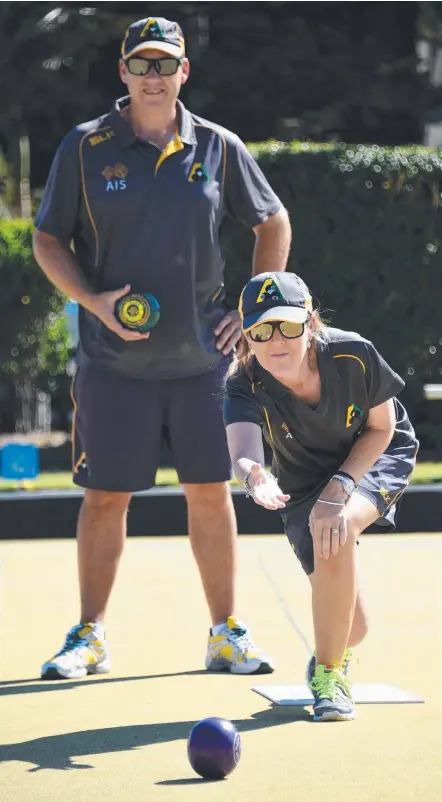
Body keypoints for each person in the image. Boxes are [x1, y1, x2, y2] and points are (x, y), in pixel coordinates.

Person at [33, 17, 292, 680]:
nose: (153, 75)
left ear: (184, 73)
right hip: (113, 365)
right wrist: (92, 303)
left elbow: (272, 221)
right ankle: (89, 635)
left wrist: (248, 309)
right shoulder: (86, 146)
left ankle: (225, 634)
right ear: (122, 72)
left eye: (165, 64)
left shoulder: (220, 147)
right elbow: (48, 240)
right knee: (103, 499)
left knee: (211, 493)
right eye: (141, 63)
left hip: (205, 363)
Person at [223, 271, 418, 721]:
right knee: (355, 627)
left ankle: (329, 680)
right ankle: (335, 652)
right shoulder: (242, 384)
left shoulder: (352, 353)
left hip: (376, 453)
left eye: (288, 326)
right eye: (261, 329)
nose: (276, 340)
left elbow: (383, 428)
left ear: (310, 324)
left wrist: (342, 487)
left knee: (336, 520)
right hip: (303, 479)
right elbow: (245, 454)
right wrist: (256, 479)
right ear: (248, 334)